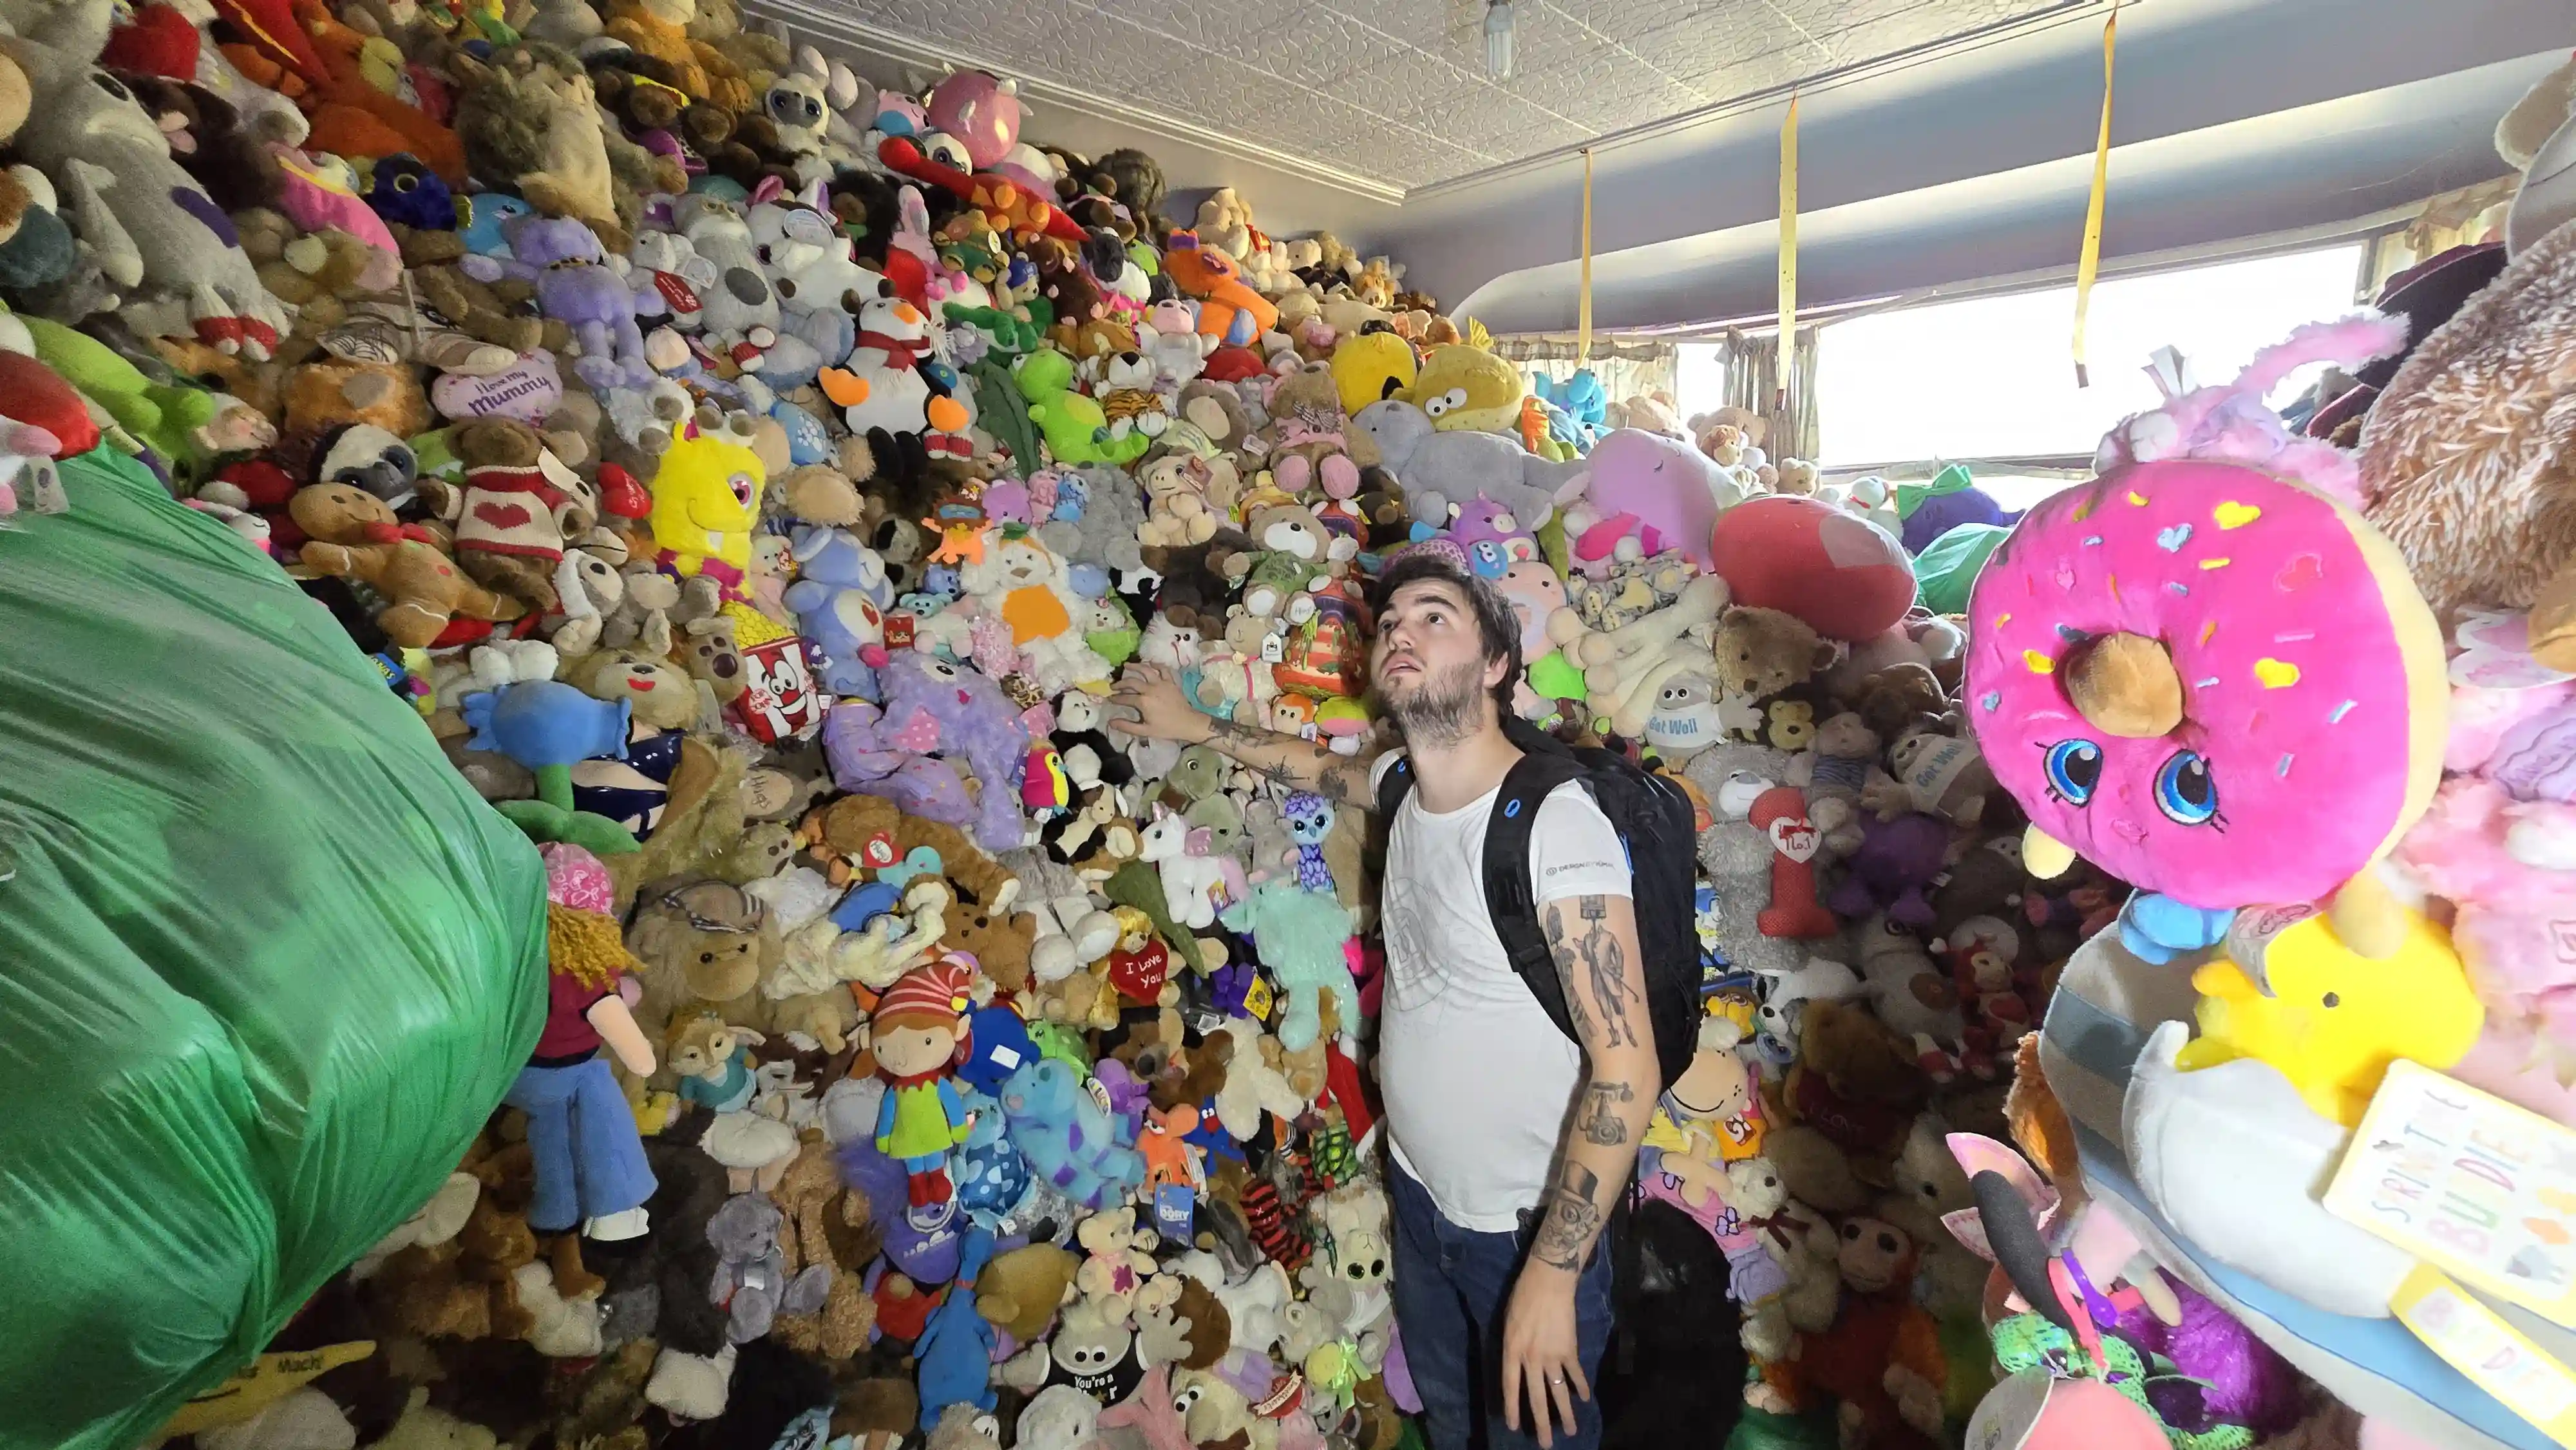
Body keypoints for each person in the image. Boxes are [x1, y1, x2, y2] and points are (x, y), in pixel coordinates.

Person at [1110, 553, 1657, 1450]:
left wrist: (1553, 1279)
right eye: (1393, 618)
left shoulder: (1554, 823)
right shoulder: (1407, 782)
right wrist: (1199, 724)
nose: (1401, 629)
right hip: (1419, 1195)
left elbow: (1627, 1068)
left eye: (1435, 616)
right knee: (1449, 1416)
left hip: (1524, 1232)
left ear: (1494, 666)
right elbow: (1315, 767)